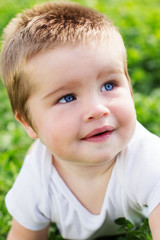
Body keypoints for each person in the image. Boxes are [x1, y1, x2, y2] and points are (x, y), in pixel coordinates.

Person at [1, 1, 160, 240]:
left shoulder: (148, 160)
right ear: (27, 123)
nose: (97, 109)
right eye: (67, 97)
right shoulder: (38, 176)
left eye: (109, 85)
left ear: (129, 86)